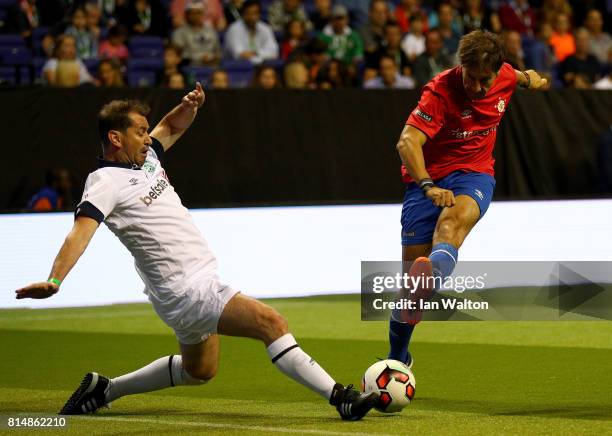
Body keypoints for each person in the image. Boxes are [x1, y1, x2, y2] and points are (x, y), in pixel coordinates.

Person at [15, 84, 378, 421]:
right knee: (272, 324)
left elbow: (171, 127)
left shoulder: (146, 160)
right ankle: (340, 398)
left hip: (188, 286)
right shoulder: (105, 182)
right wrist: (55, 278)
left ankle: (106, 389)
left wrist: (188, 107)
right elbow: (81, 232)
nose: (147, 137)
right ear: (115, 137)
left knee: (199, 371)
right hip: (186, 289)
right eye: (139, 131)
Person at [388, 30, 547, 367]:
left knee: (450, 227)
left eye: (483, 80)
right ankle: (398, 360)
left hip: (474, 175)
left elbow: (523, 78)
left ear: (497, 70)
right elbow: (406, 143)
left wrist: (534, 81)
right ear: (461, 66)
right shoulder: (440, 91)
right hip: (427, 183)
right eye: (469, 77)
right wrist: (429, 186)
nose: (475, 87)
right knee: (409, 293)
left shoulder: (504, 74)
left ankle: (430, 274)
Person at [223, 0, 279, 64]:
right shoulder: (233, 29)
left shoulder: (265, 28)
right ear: (243, 14)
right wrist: (262, 54)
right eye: (249, 13)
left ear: (259, 14)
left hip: (261, 66)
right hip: (238, 68)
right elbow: (240, 54)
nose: (252, 17)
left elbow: (274, 52)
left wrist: (256, 53)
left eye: (255, 13)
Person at [172, 1, 221, 66]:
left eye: (198, 13)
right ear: (187, 15)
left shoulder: (211, 31)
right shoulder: (179, 32)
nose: (195, 16)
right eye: (192, 13)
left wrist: (212, 58)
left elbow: (218, 52)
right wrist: (199, 59)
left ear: (203, 14)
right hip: (189, 66)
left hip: (210, 65)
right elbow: (178, 55)